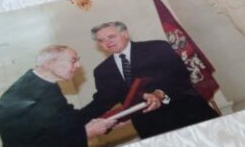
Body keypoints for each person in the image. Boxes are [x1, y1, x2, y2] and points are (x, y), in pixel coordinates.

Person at [0, 45, 116, 147]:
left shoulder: (45, 83)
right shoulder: (21, 96)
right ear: (50, 64)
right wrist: (86, 134)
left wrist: (107, 118)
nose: (78, 65)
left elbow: (65, 120)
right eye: (73, 60)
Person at [82, 21, 218, 139]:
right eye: (101, 40)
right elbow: (102, 101)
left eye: (111, 36)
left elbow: (180, 76)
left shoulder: (157, 48)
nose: (107, 42)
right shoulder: (102, 71)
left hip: (189, 115)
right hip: (151, 129)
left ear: (125, 34)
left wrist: (160, 93)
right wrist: (76, 122)